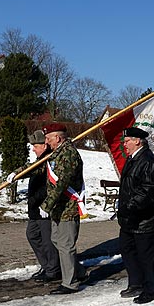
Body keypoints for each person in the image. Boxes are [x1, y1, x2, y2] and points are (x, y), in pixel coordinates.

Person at [117, 127, 154, 304]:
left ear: (137, 141)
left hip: (147, 219)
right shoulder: (133, 159)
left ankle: (151, 289)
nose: (124, 145)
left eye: (127, 141)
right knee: (127, 248)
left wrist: (129, 207)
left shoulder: (147, 160)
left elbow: (147, 190)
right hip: (132, 218)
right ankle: (136, 283)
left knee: (147, 256)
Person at [7, 130, 61, 282]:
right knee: (32, 235)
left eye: (35, 146)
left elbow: (35, 169)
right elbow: (31, 167)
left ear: (44, 145)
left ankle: (53, 270)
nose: (33, 149)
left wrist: (19, 173)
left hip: (44, 207)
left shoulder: (50, 160)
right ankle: (47, 265)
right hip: (35, 208)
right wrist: (16, 173)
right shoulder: (41, 159)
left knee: (47, 240)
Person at [40, 123, 88, 295]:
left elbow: (62, 183)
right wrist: (16, 174)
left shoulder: (68, 153)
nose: (46, 142)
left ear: (58, 138)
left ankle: (70, 283)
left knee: (66, 245)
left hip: (68, 207)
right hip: (59, 208)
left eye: (48, 138)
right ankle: (79, 272)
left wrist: (47, 204)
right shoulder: (56, 152)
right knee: (57, 240)